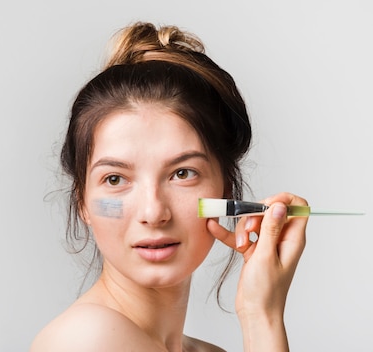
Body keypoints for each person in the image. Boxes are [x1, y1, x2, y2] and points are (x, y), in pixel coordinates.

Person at [30, 22, 308, 352]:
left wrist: (261, 311)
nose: (153, 212)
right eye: (115, 179)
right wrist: (261, 319)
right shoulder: (86, 340)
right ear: (83, 203)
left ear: (227, 189)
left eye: (182, 173)